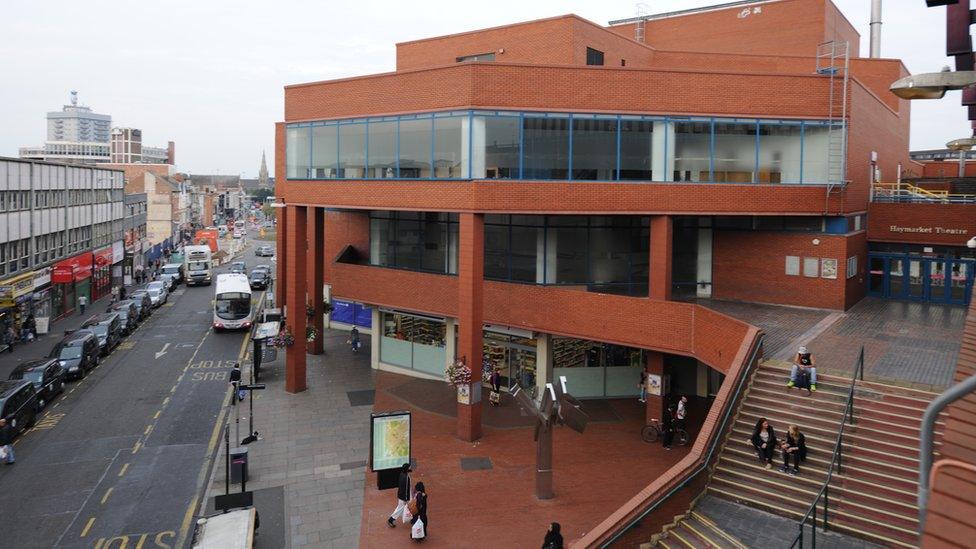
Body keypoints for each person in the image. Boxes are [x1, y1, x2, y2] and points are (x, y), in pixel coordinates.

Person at [387, 462, 412, 528]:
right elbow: (406, 489)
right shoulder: (406, 477)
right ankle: (391, 520)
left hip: (401, 495)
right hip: (405, 497)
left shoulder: (402, 474)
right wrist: (406, 499)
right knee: (400, 509)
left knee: (403, 508)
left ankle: (412, 519)